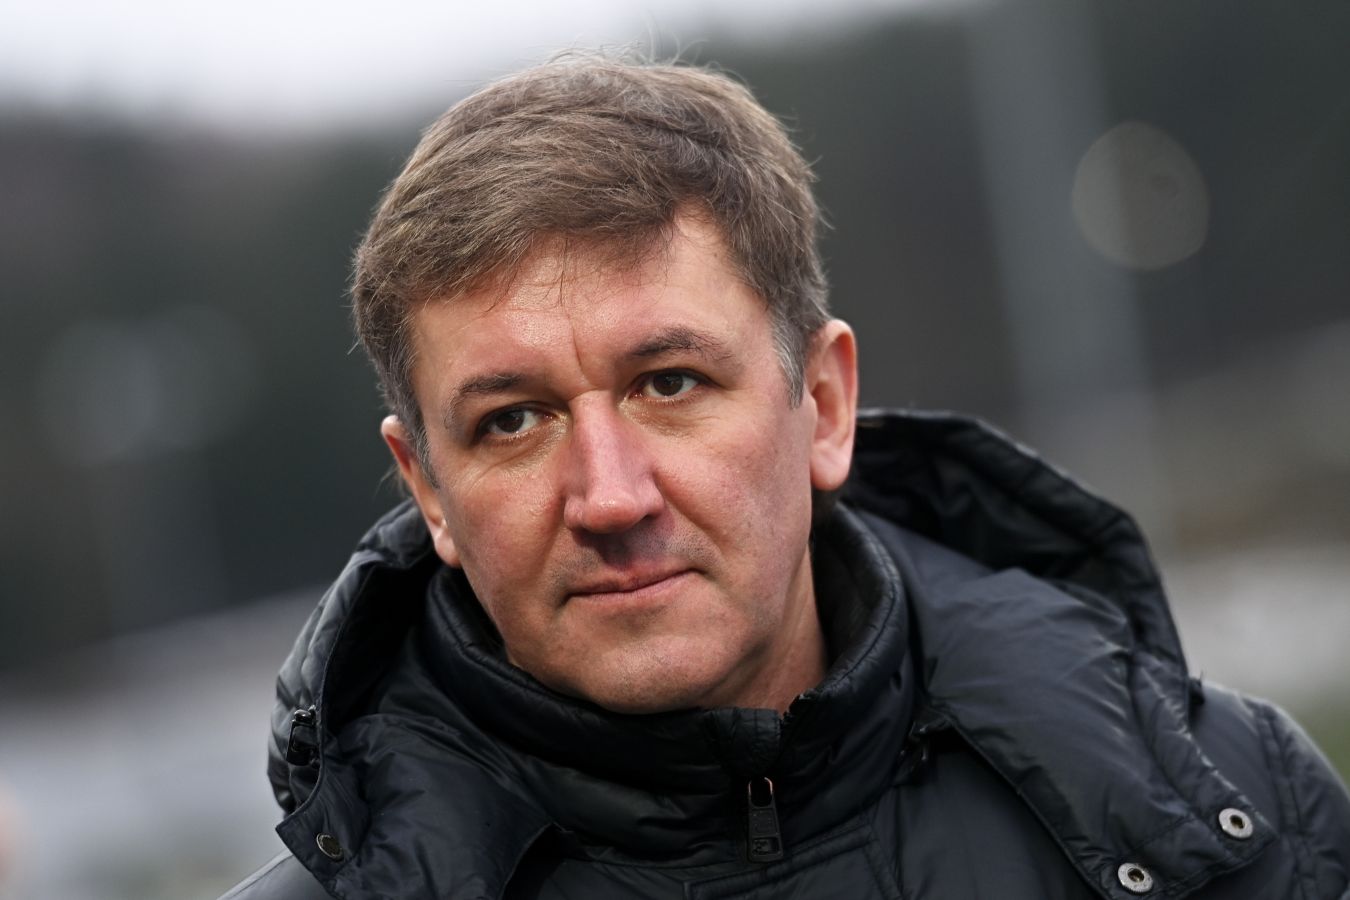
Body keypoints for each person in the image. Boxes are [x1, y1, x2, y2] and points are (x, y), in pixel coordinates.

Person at [221, 55, 1350, 899]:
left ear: (824, 405)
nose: (610, 497)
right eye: (512, 421)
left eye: (669, 383)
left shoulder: (1226, 816)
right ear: (427, 490)